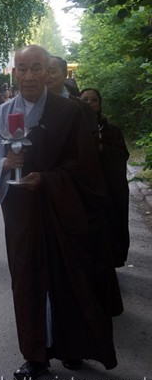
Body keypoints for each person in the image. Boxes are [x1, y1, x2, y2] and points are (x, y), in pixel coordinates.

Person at [0, 45, 121, 380]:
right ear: (14, 73)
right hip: (22, 211)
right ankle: (35, 355)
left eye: (36, 68)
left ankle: (74, 346)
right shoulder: (2, 114)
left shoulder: (69, 112)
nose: (28, 76)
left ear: (48, 71)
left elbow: (86, 168)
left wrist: (49, 179)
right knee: (27, 278)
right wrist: (4, 163)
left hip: (63, 208)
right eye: (22, 69)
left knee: (70, 274)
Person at [80, 88, 130, 267]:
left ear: (99, 104)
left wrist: (102, 149)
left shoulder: (111, 131)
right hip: (84, 187)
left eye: (93, 100)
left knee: (110, 225)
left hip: (109, 187)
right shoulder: (73, 128)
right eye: (85, 100)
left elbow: (122, 155)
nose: (89, 103)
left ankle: (109, 263)